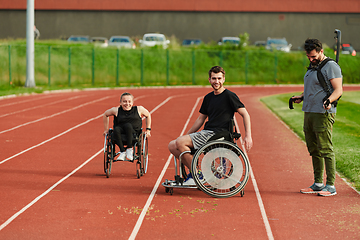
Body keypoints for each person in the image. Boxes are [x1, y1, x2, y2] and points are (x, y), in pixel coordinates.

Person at [168, 66, 253, 185]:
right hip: (208, 132)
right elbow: (200, 119)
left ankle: (197, 175)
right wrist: (187, 135)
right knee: (172, 145)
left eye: (219, 78)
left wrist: (248, 135)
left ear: (223, 79)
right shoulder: (208, 98)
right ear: (209, 80)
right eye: (214, 78)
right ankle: (197, 172)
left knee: (180, 142)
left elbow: (245, 114)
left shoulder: (229, 96)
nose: (216, 81)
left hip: (220, 133)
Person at [292, 38, 343, 197]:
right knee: (313, 149)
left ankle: (330, 186)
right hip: (309, 112)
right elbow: (314, 88)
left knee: (325, 149)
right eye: (309, 57)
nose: (311, 59)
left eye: (313, 56)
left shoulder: (331, 66)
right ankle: (318, 183)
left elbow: (338, 90)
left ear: (321, 51)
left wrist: (330, 100)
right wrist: (301, 96)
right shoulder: (313, 66)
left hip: (323, 113)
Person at [103, 92, 151, 160]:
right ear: (120, 102)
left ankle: (129, 149)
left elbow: (148, 115)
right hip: (120, 134)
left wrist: (148, 130)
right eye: (124, 102)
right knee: (116, 129)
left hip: (134, 134)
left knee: (128, 125)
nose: (127, 104)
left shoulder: (139, 109)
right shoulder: (116, 110)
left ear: (132, 102)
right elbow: (105, 114)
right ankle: (122, 151)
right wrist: (105, 130)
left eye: (129, 102)